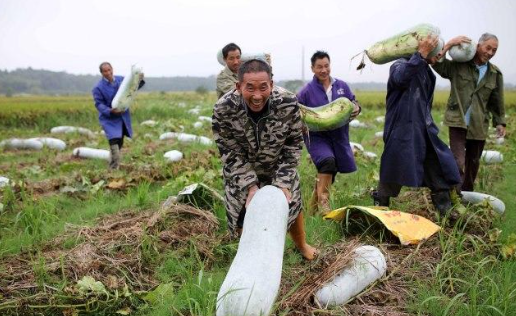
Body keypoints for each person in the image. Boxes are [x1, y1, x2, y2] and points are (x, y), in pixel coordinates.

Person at [212, 59, 317, 260]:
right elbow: (229, 152)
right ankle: (250, 257)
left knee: (291, 203)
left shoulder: (287, 103)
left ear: (271, 84)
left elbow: (294, 143)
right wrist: (250, 186)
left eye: (263, 87)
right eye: (249, 88)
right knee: (243, 210)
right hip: (243, 168)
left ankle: (302, 245)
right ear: (238, 86)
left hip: (278, 165)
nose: (257, 95)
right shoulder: (224, 109)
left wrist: (282, 183)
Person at [373, 35, 461, 216]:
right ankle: (379, 210)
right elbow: (400, 78)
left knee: (438, 168)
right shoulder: (400, 65)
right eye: (435, 51)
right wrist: (420, 54)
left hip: (424, 130)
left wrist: (447, 46)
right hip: (401, 131)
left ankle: (446, 213)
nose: (439, 56)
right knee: (392, 172)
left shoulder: (427, 71)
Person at [432, 33, 506, 191]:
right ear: (478, 46)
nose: (490, 53)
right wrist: (450, 44)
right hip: (457, 121)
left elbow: (497, 101)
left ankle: (466, 196)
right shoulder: (459, 65)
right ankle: (454, 196)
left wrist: (500, 122)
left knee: (473, 164)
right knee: (457, 162)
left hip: (479, 124)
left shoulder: (495, 74)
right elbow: (437, 62)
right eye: (488, 48)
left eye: (494, 50)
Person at [297, 51, 361, 214]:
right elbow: (296, 111)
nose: (324, 70)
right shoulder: (306, 91)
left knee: (329, 171)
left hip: (338, 137)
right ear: (313, 68)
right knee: (327, 162)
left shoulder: (341, 86)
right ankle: (325, 205)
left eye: (326, 66)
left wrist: (356, 108)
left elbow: (354, 103)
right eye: (319, 67)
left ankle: (311, 211)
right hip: (317, 137)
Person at [92, 62, 145, 170]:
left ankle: (112, 161)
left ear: (112, 69)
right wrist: (110, 111)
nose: (108, 73)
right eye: (105, 71)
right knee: (113, 139)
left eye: (109, 70)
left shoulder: (121, 80)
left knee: (120, 140)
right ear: (101, 73)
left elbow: (132, 88)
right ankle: (113, 168)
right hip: (109, 118)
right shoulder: (98, 88)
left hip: (122, 117)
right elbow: (98, 104)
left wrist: (139, 79)